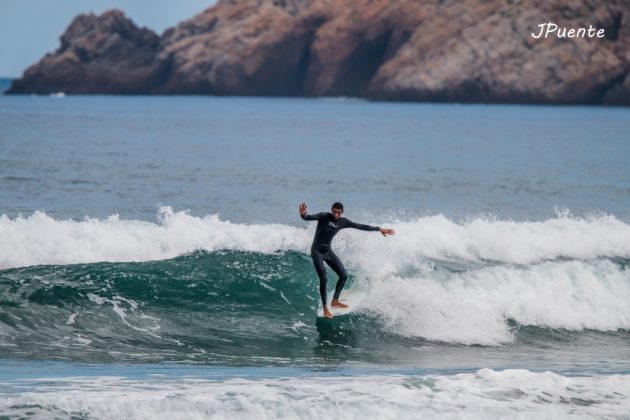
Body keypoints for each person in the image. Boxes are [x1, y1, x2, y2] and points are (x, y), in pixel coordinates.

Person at [299, 201, 395, 318]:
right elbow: (308, 217)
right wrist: (303, 214)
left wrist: (379, 229)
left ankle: (335, 301)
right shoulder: (324, 216)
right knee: (323, 278)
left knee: (344, 275)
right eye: (334, 211)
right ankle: (325, 308)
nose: (335, 214)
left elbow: (360, 226)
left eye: (338, 212)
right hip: (317, 252)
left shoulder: (343, 222)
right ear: (331, 210)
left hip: (327, 251)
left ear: (342, 213)